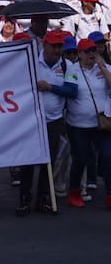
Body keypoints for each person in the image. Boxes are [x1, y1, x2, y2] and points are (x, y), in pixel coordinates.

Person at [16, 30, 77, 216]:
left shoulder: (67, 66)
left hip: (54, 120)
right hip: (32, 120)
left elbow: (72, 90)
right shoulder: (32, 62)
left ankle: (43, 199)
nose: (57, 51)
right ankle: (24, 198)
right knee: (28, 161)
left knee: (48, 162)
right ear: (45, 45)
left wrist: (51, 87)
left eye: (60, 47)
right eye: (54, 46)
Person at [64, 38, 111, 208]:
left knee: (108, 156)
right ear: (79, 54)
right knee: (80, 159)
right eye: (87, 51)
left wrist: (102, 67)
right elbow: (70, 88)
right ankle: (74, 192)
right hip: (79, 125)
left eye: (93, 50)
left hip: (102, 123)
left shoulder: (103, 67)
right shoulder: (72, 69)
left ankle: (109, 193)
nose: (92, 54)